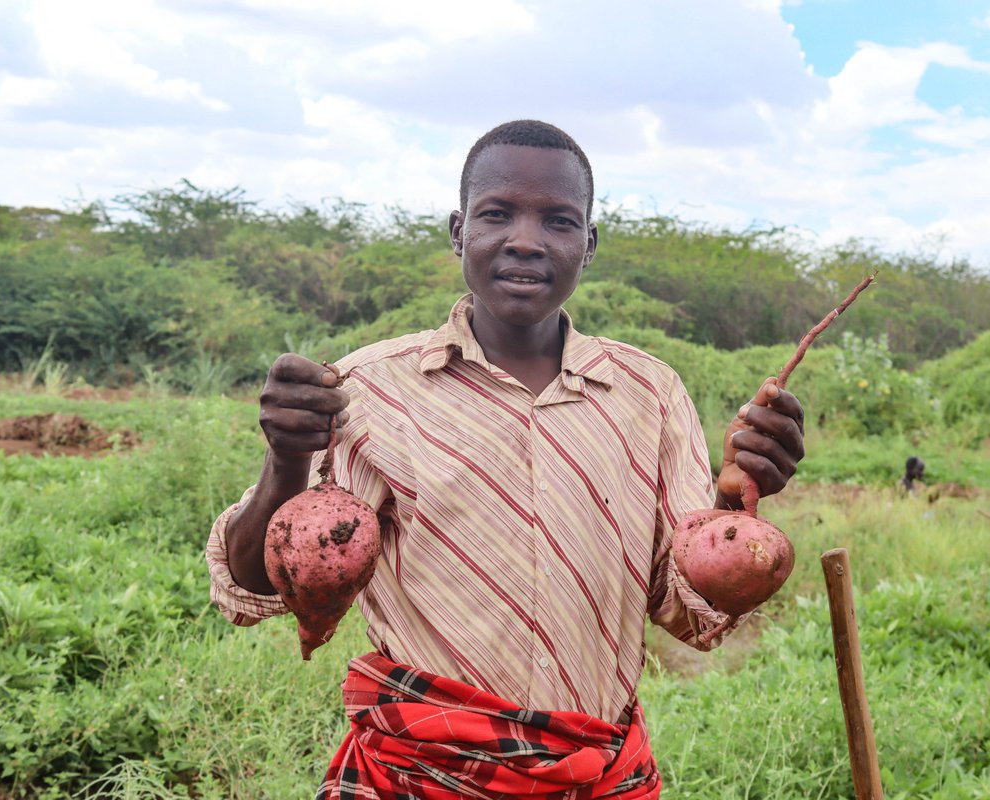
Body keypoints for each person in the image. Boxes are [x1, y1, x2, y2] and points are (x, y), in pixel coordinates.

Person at [205, 120, 806, 799]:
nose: (525, 238)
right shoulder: (367, 391)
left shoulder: (651, 393)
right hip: (413, 778)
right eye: (497, 214)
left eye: (558, 219)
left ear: (589, 243)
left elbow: (684, 606)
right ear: (459, 231)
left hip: (597, 776)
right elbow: (261, 585)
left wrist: (737, 511)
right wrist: (286, 460)